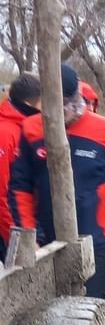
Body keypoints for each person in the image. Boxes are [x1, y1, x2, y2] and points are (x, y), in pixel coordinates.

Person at [9, 63, 105, 297]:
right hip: (48, 244)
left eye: (67, 106)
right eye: (54, 107)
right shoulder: (31, 129)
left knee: (85, 316)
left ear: (76, 99)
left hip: (98, 243)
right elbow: (20, 187)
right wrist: (30, 237)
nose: (62, 113)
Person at [0, 72, 41, 264]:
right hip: (8, 229)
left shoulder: (24, 128)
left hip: (22, 224)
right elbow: (2, 192)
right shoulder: (6, 134)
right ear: (30, 104)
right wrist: (16, 238)